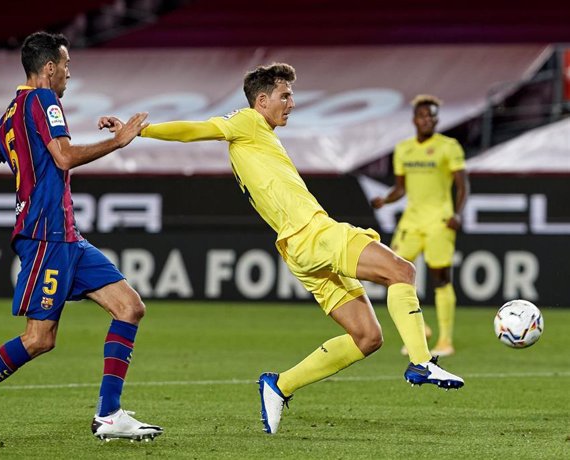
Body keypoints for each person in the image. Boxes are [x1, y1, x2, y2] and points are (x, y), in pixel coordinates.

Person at [117, 63, 464, 436]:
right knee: (402, 271)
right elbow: (200, 129)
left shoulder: (260, 135)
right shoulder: (248, 122)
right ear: (261, 100)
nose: (292, 103)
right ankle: (422, 361)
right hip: (312, 233)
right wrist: (143, 130)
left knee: (367, 337)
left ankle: (279, 386)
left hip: (297, 248)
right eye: (285, 96)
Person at [0, 31, 162, 448]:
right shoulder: (43, 101)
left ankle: (109, 415)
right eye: (67, 65)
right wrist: (119, 140)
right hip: (45, 235)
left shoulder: (9, 115)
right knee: (39, 338)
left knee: (129, 307)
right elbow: (65, 157)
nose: (69, 74)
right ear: (50, 68)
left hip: (67, 236)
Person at [371, 95, 469, 357]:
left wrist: (457, 214)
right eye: (424, 116)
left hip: (439, 220)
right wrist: (385, 199)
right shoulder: (404, 149)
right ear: (414, 119)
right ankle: (421, 327)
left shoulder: (449, 147)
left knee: (440, 279)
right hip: (411, 221)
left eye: (433, 116)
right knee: (389, 272)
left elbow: (462, 186)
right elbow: (400, 188)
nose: (428, 120)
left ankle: (445, 340)